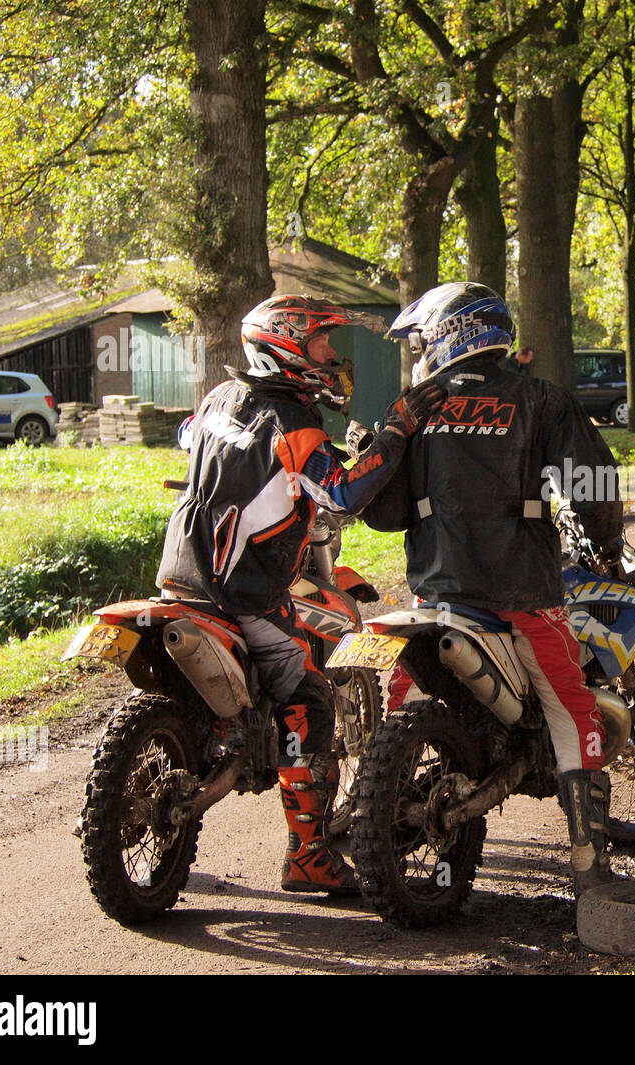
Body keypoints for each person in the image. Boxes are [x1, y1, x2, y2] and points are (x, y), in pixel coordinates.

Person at [156, 295, 446, 895]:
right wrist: (395, 431)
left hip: (181, 577)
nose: (333, 357)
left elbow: (190, 436)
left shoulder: (217, 400)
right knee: (309, 702)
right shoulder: (296, 425)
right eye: (321, 345)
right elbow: (340, 494)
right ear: (286, 346)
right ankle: (308, 856)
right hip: (245, 591)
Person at [361, 282, 625, 896]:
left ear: (450, 336)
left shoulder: (414, 408)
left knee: (401, 700)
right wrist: (604, 547)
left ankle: (366, 818)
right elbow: (593, 483)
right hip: (523, 592)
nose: (421, 348)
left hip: (438, 594)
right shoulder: (542, 399)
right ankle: (588, 859)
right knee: (571, 710)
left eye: (425, 337)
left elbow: (385, 512)